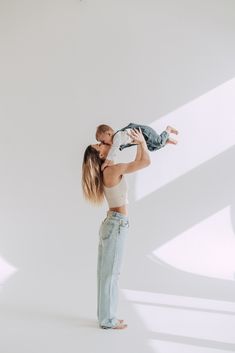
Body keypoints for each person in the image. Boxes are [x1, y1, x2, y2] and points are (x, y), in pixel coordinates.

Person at [82, 128, 151, 329]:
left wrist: (139, 144)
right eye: (100, 145)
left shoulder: (108, 170)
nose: (104, 144)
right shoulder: (111, 170)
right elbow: (145, 162)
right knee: (111, 275)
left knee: (105, 275)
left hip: (111, 224)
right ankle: (108, 320)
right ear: (101, 154)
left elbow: (137, 162)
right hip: (117, 225)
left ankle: (105, 317)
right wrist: (141, 143)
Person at [96, 122, 178, 170]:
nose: (104, 143)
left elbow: (113, 151)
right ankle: (166, 140)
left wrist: (106, 163)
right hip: (143, 138)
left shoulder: (117, 137)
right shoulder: (118, 138)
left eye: (103, 141)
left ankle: (168, 129)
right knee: (152, 148)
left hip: (145, 132)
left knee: (158, 142)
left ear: (109, 133)